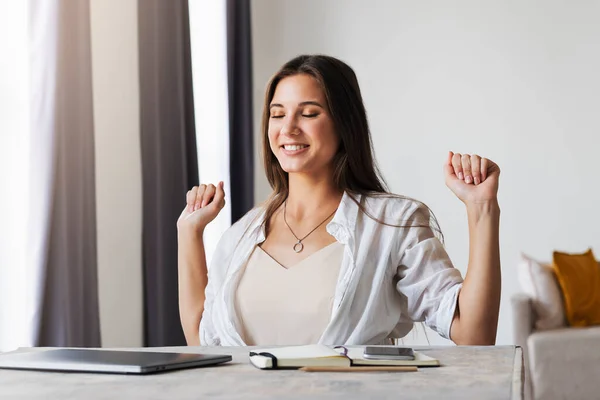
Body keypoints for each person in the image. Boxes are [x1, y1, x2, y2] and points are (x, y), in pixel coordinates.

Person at [177, 55, 501, 347]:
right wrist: (189, 232)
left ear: (343, 124)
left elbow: (473, 333)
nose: (288, 128)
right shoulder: (239, 237)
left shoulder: (393, 224)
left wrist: (482, 208)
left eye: (308, 113)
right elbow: (202, 340)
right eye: (277, 115)